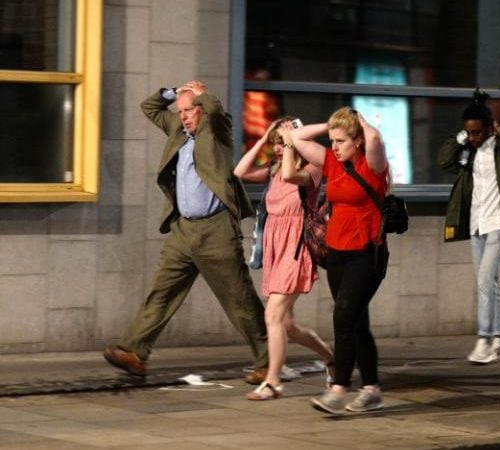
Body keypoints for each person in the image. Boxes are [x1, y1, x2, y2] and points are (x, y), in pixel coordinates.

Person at [103, 80, 269, 385]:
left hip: (216, 229)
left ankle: (268, 359)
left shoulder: (216, 130)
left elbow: (215, 110)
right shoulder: (178, 130)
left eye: (189, 110)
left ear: (201, 110)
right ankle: (135, 352)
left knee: (239, 298)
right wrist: (173, 92)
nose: (183, 116)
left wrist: (202, 94)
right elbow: (150, 108)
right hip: (183, 228)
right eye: (180, 111)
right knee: (162, 291)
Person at [290, 107, 388, 415]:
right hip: (337, 253)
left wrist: (359, 121)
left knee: (343, 317)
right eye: (332, 141)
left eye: (341, 141)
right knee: (357, 322)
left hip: (367, 254)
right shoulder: (333, 162)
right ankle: (371, 390)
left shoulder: (373, 165)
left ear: (357, 141)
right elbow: (296, 137)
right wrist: (332, 125)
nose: (334, 146)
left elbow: (375, 138)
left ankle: (338, 389)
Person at [234, 117, 334, 400]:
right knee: (287, 325)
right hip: (275, 249)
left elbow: (291, 175)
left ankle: (273, 382)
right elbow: (240, 171)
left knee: (273, 315)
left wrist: (291, 142)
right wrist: (264, 137)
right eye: (276, 143)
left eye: (282, 142)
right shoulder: (273, 169)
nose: (278, 148)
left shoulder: (312, 170)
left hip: (296, 248)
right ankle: (332, 359)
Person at [437, 91, 500, 365]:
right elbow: (443, 161)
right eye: (470, 132)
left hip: (499, 223)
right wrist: (461, 138)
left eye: (477, 132)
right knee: (490, 282)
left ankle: (484, 339)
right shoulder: (470, 151)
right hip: (477, 224)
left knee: (485, 281)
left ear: (489, 127)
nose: (473, 137)